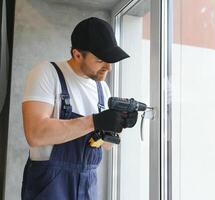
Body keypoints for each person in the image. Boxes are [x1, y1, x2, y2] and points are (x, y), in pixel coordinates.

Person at [21, 17, 138, 200]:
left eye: (110, 60)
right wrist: (94, 121)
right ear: (77, 54)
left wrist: (119, 125)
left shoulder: (102, 89)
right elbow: (35, 134)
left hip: (88, 185)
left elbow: (106, 146)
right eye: (101, 60)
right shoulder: (47, 74)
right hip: (50, 186)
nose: (108, 67)